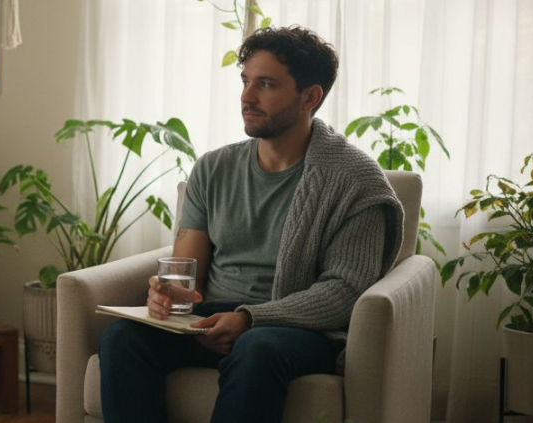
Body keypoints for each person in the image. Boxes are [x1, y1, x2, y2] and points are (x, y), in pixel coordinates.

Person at [98, 26, 406, 423]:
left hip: (297, 329)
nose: (247, 96)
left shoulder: (355, 181)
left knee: (256, 348)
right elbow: (187, 279)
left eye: (266, 84)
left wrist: (250, 318)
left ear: (310, 96)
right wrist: (166, 294)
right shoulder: (213, 168)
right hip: (212, 317)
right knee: (123, 338)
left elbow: (344, 292)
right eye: (245, 81)